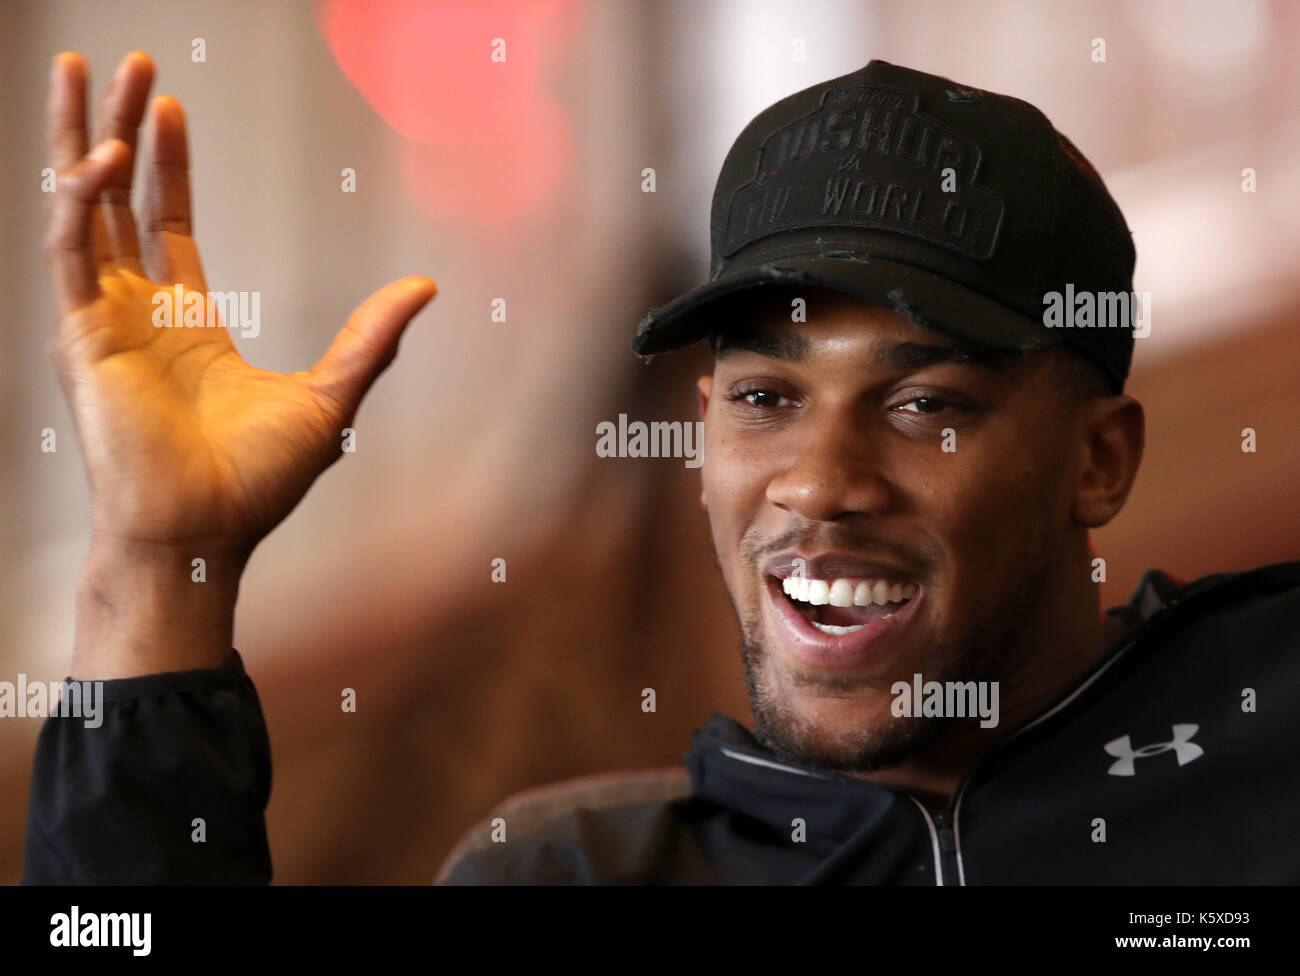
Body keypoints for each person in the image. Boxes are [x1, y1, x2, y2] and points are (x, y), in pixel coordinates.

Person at [25, 53, 1298, 885]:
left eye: (922, 405)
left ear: (1098, 461)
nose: (817, 482)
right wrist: (157, 565)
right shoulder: (574, 872)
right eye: (763, 398)